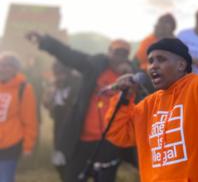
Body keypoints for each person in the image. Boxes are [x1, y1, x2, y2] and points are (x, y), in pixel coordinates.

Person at [106, 23, 198, 181]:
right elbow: (118, 133)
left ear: (181, 65)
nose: (153, 66)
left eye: (161, 59)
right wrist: (123, 97)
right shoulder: (147, 106)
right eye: (150, 61)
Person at [26, 32, 132, 182]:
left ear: (127, 56)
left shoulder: (132, 77)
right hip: (83, 138)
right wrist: (45, 42)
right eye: (116, 52)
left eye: (123, 53)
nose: (118, 57)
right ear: (109, 52)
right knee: (72, 176)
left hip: (109, 142)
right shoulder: (94, 65)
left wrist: (131, 78)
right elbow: (69, 55)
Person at [0, 52, 38, 182]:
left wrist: (28, 145)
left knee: (5, 179)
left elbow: (30, 120)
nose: (3, 68)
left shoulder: (24, 88)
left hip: (11, 143)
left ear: (16, 69)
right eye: (1, 65)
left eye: (8, 66)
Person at [43, 61, 81, 181]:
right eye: (57, 74)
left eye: (62, 73)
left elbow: (77, 107)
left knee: (71, 162)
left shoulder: (77, 85)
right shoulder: (55, 86)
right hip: (59, 129)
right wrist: (49, 100)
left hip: (74, 130)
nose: (60, 76)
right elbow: (48, 105)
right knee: (59, 163)